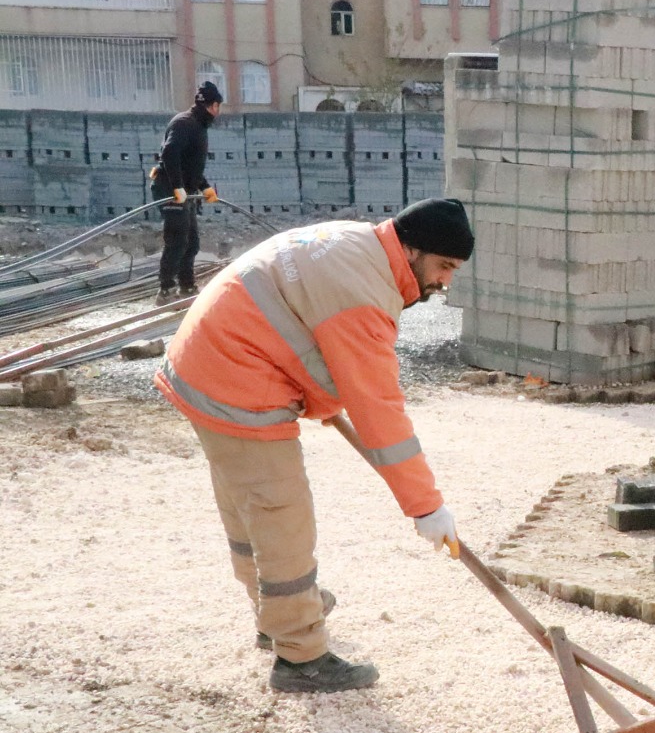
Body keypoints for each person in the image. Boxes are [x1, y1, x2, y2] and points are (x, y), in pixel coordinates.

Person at [155, 198, 474, 693]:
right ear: (411, 249)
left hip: (207, 360)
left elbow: (304, 324)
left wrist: (321, 398)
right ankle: (301, 657)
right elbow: (380, 413)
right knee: (281, 514)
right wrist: (427, 507)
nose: (446, 281)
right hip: (237, 378)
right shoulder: (364, 293)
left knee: (250, 509)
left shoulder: (358, 244)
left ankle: (275, 614)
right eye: (444, 266)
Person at [151, 81, 224, 304]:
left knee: (191, 242)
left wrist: (204, 186)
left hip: (185, 189)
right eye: (218, 106)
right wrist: (176, 187)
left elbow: (189, 164)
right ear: (212, 106)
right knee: (177, 238)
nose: (218, 111)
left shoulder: (198, 126)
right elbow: (170, 154)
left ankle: (187, 286)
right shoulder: (185, 123)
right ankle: (165, 290)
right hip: (169, 188)